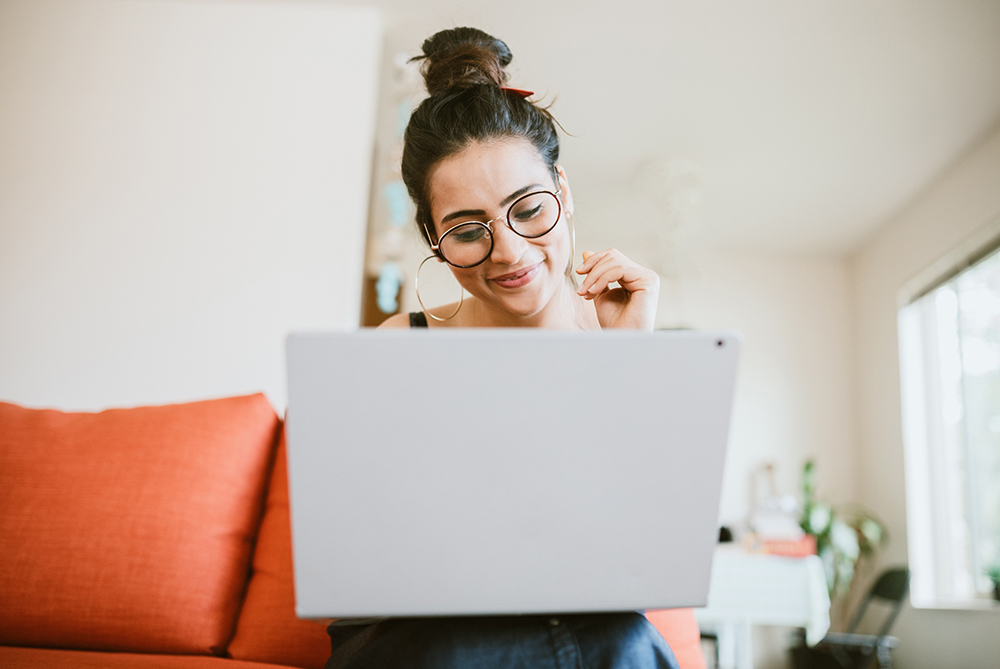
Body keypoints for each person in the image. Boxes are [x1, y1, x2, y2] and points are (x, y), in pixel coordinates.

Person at [326, 27, 679, 669]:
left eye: (528, 208)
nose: (510, 251)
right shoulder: (403, 345)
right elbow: (364, 554)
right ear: (433, 237)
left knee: (623, 639)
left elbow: (640, 564)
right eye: (467, 229)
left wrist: (627, 363)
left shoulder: (620, 336)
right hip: (413, 633)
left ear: (563, 192)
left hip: (583, 625)